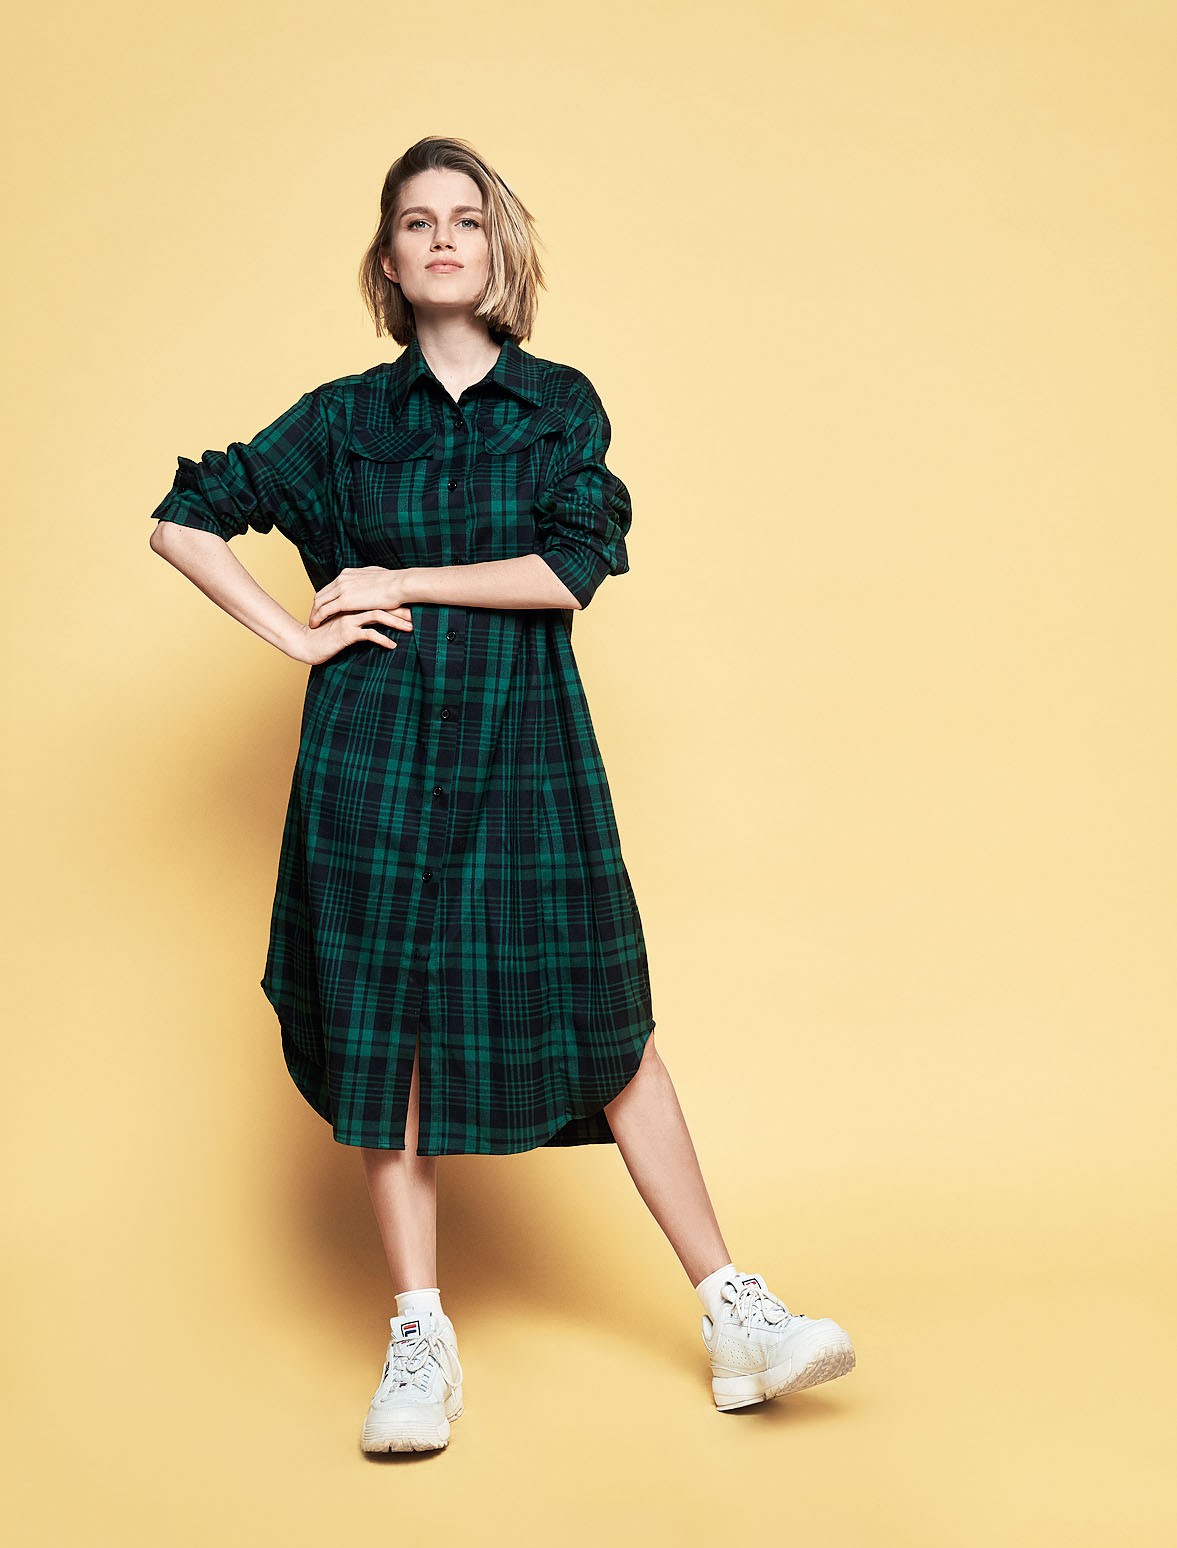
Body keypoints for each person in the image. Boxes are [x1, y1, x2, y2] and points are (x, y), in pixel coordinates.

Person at [148, 135, 855, 1454]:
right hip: (372, 764)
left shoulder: (557, 405)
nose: (441, 240)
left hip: (525, 752)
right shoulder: (344, 419)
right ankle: (420, 1339)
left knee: (609, 1017)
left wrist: (396, 579)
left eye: (464, 219)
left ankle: (734, 1315)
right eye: (415, 222)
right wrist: (297, 635)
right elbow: (181, 518)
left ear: (496, 246)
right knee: (391, 1040)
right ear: (388, 258)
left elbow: (567, 571)